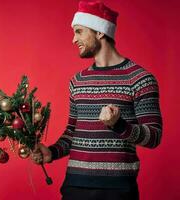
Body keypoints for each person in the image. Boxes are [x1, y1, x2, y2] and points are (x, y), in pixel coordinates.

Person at [31, 1, 162, 200]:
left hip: (118, 190)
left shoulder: (140, 79)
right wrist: (52, 152)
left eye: (79, 31)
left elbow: (154, 137)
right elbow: (72, 133)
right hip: (74, 186)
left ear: (100, 32)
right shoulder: (78, 81)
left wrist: (118, 125)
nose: (74, 39)